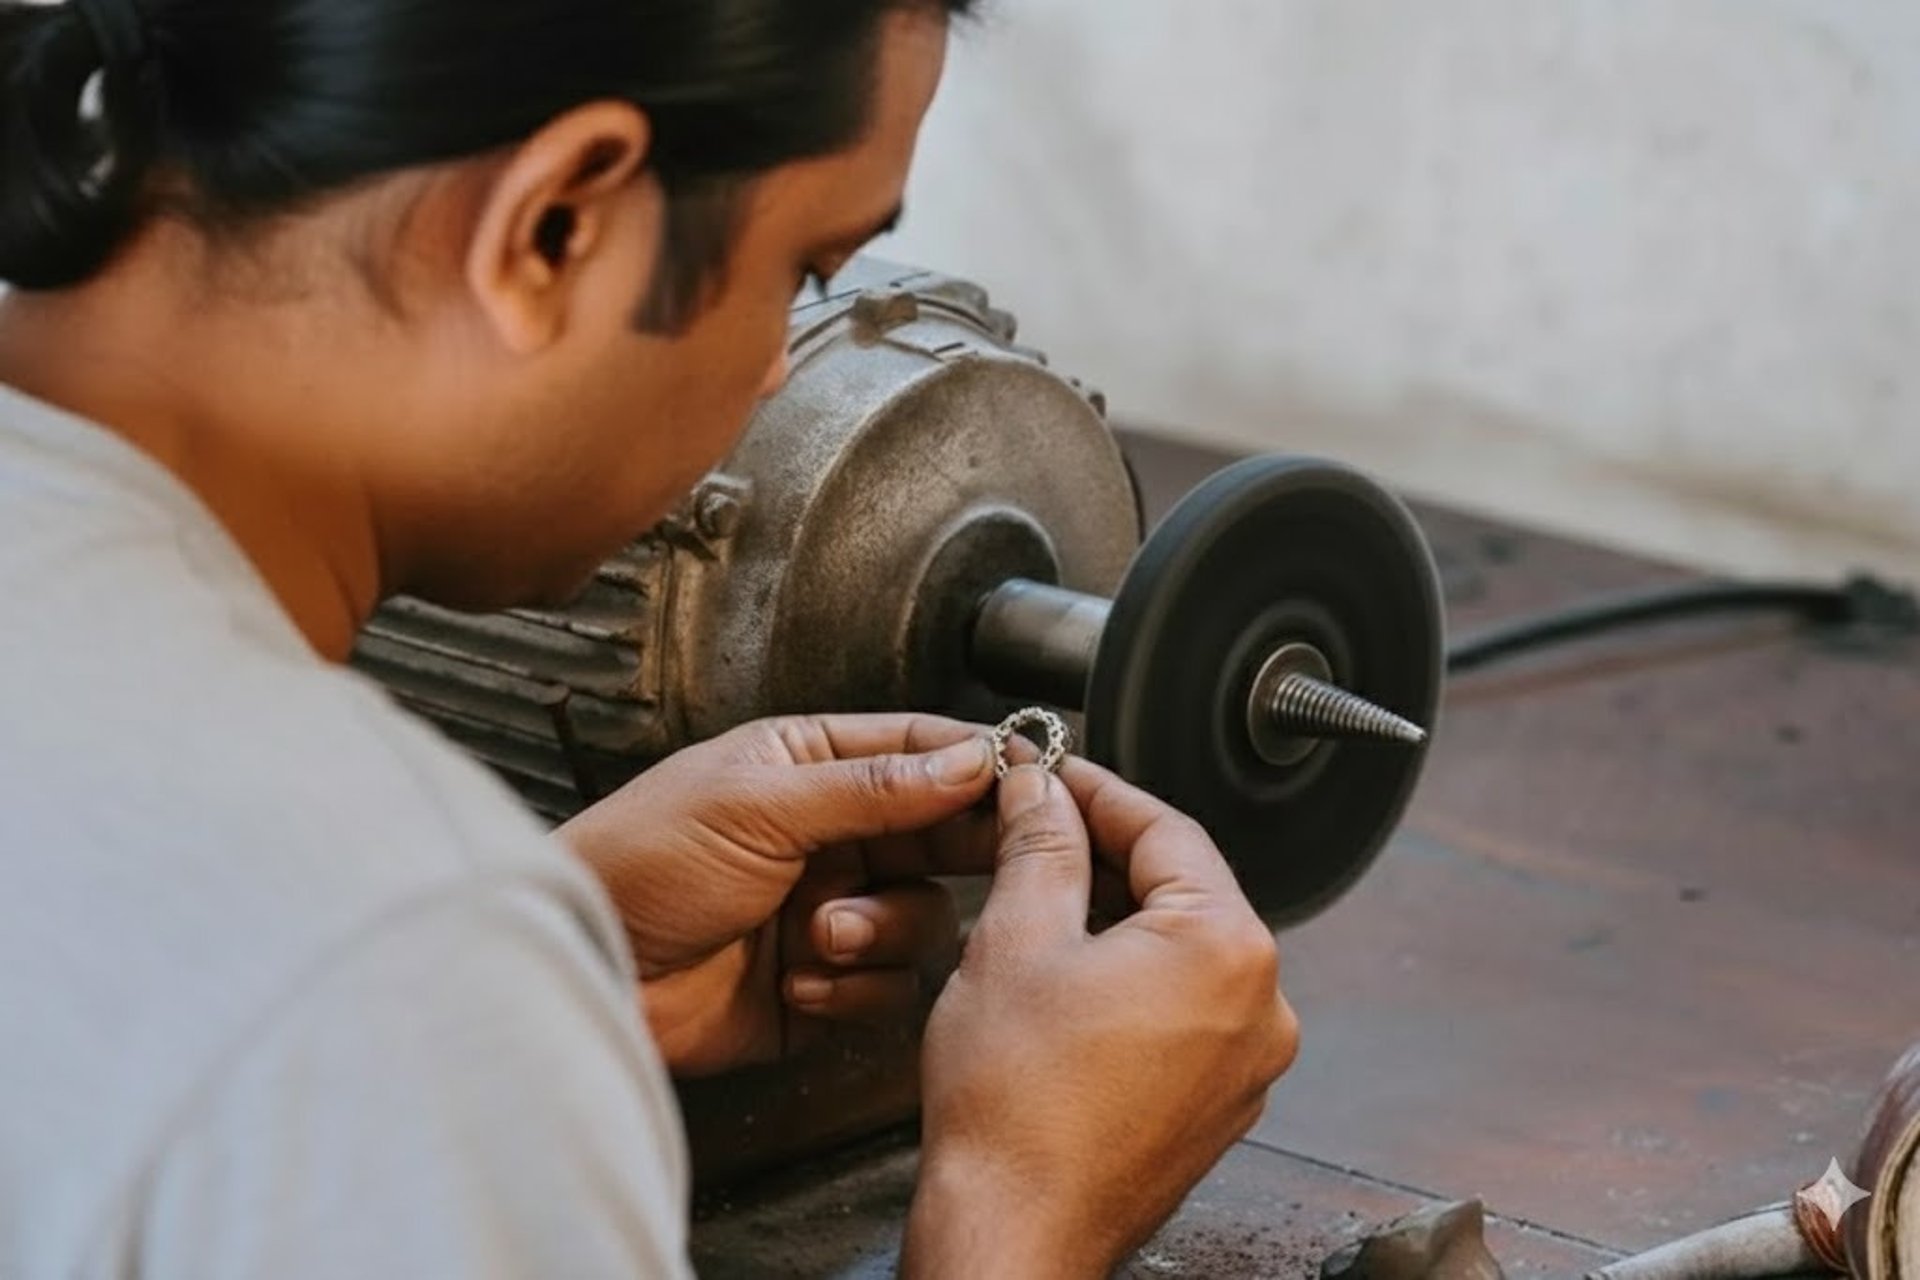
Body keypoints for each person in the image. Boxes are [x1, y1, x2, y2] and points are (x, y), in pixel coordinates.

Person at [0, 0, 1300, 1274]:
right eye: (803, 272)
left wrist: (553, 954)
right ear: (555, 226)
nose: (777, 370)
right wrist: (1020, 1217)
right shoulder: (371, 956)